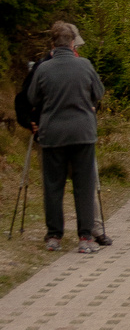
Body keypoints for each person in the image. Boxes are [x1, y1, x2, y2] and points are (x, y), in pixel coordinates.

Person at [27, 21, 105, 253]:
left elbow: (32, 99)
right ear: (72, 43)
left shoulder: (43, 69)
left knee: (53, 186)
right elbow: (98, 93)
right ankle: (85, 238)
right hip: (83, 132)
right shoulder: (85, 65)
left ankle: (54, 236)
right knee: (84, 185)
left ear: (52, 44)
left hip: (53, 134)